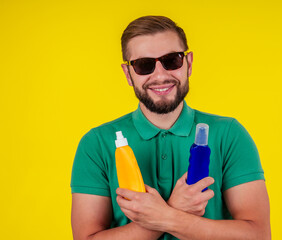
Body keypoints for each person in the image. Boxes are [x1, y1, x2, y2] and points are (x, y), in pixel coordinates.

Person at [71, 15, 271, 240]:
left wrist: (167, 216)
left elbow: (258, 235)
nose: (160, 75)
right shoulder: (96, 143)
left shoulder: (229, 134)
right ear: (128, 74)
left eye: (172, 60)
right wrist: (174, 207)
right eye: (144, 65)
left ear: (189, 63)